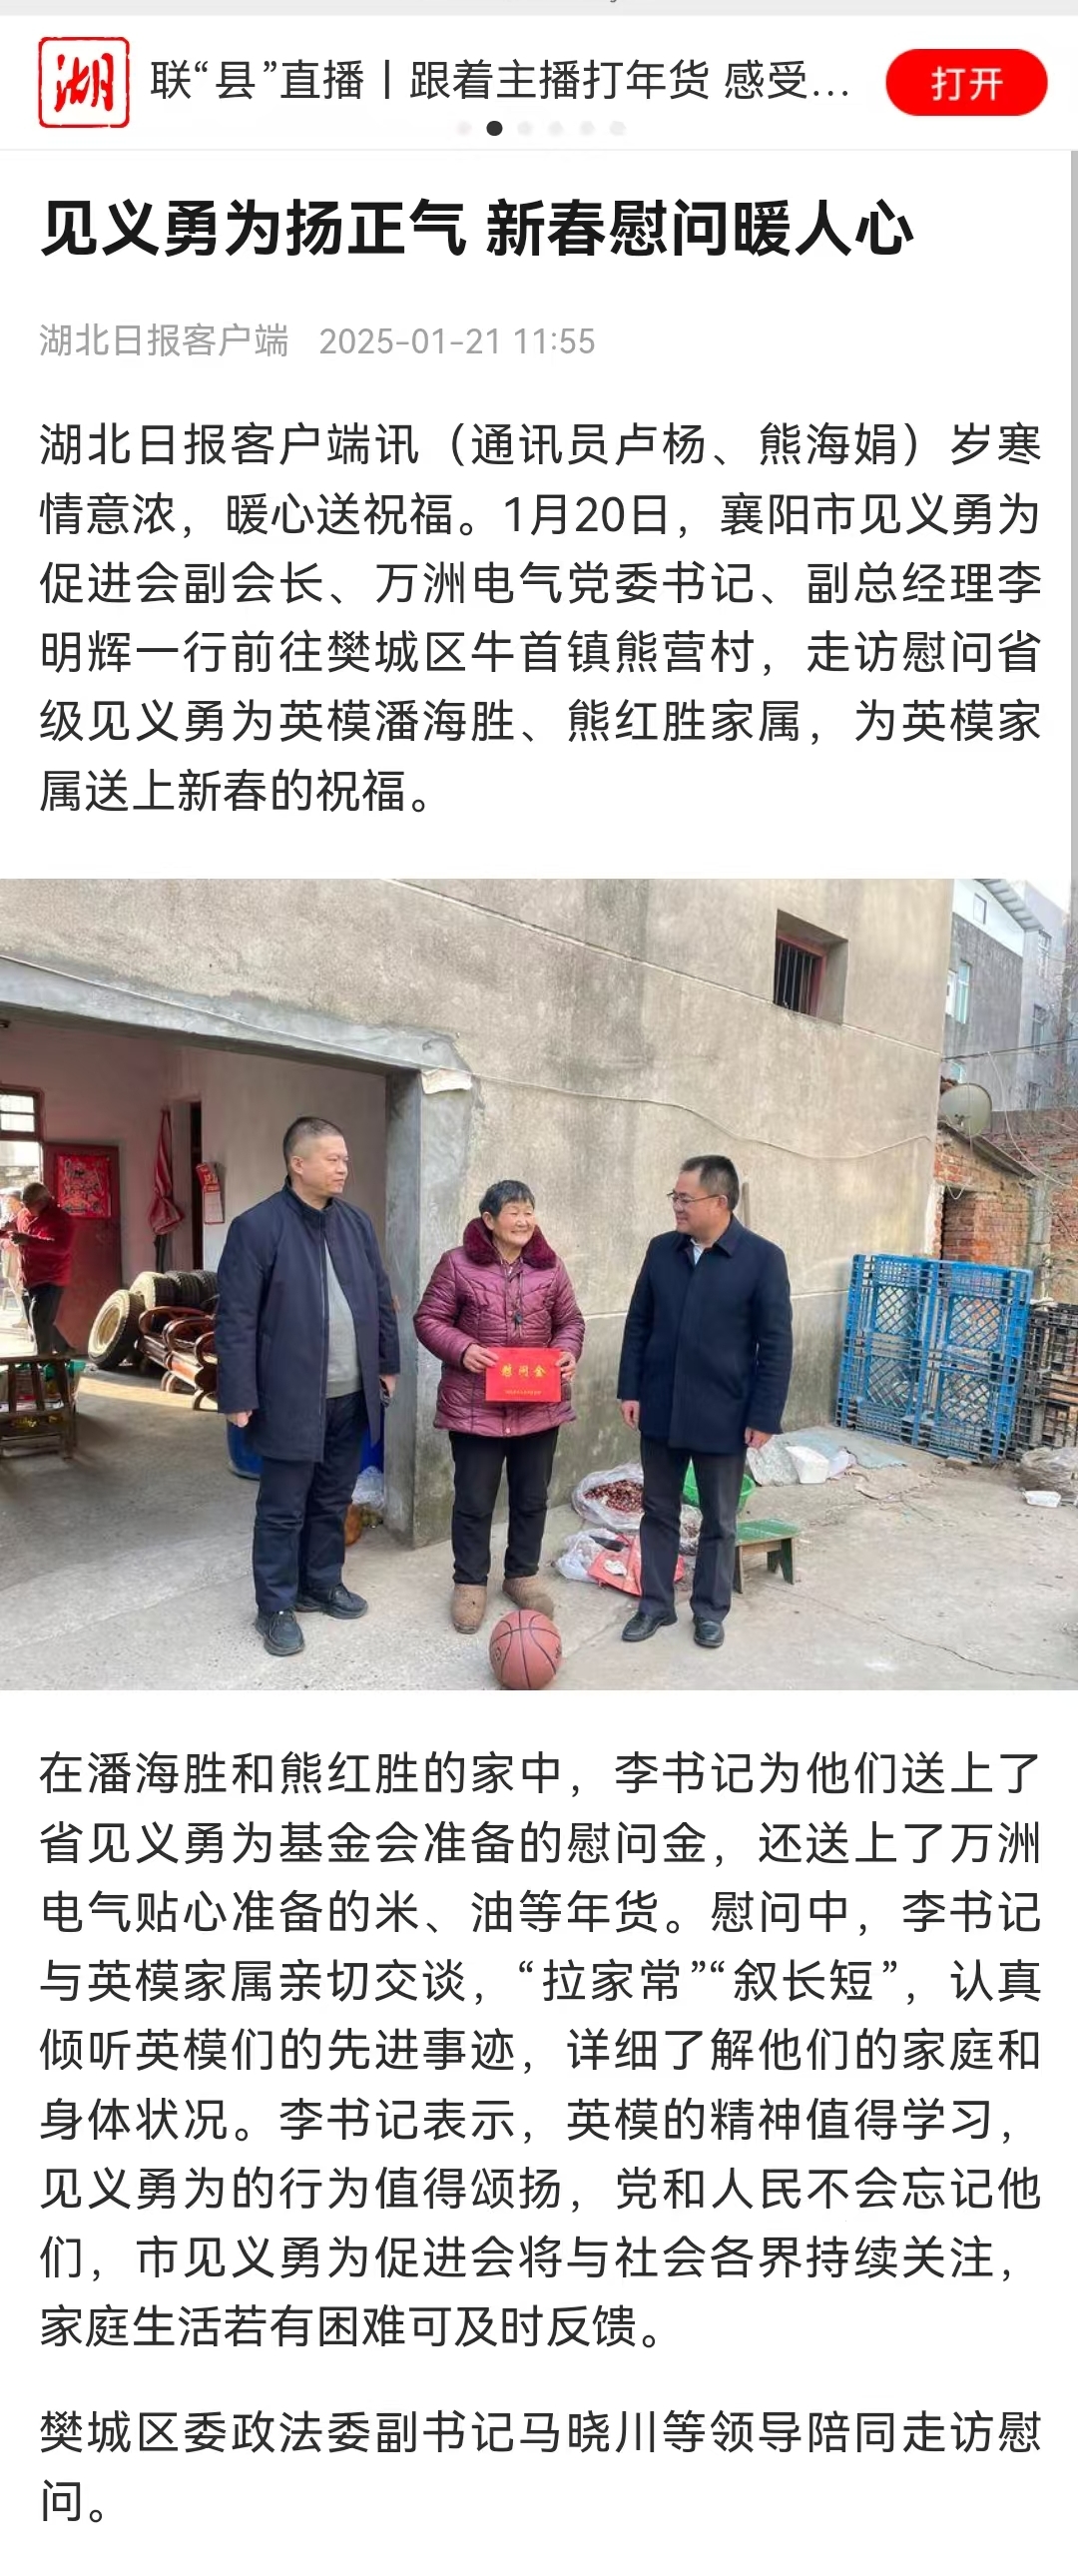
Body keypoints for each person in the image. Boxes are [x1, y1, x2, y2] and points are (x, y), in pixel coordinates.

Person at [216, 1116, 400, 1658]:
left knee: (333, 1497)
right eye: (332, 1158)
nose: (343, 1167)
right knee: (282, 1507)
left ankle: (321, 1583)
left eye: (345, 1159)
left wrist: (386, 1363)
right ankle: (275, 1605)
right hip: (290, 1396)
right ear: (298, 1164)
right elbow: (236, 1318)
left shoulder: (356, 1224)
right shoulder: (257, 1227)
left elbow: (380, 1296)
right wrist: (238, 1393)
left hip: (352, 1392)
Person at [616, 1155, 793, 1650]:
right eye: (673, 1197)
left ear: (720, 1202)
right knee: (658, 1510)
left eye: (684, 1198)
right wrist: (631, 1389)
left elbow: (776, 1344)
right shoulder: (661, 1251)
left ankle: (710, 1610)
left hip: (724, 1413)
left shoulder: (762, 1259)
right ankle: (655, 1604)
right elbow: (638, 1323)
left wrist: (764, 1414)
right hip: (661, 1406)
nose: (676, 1206)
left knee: (719, 1518)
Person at [414, 1180, 585, 1632]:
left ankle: (521, 1575)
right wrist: (463, 1348)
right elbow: (428, 1319)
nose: (523, 1220)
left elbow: (570, 1321)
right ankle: (470, 1582)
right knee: (473, 1500)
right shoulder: (457, 1264)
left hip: (537, 1406)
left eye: (529, 1211)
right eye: (514, 1212)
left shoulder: (550, 1268)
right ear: (489, 1220)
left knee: (531, 1497)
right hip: (476, 1409)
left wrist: (567, 1352)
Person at [0, 1181, 76, 1354]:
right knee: (37, 1320)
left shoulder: (61, 1219)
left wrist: (28, 1240)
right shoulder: (24, 1214)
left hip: (51, 1278)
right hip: (28, 1277)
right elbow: (10, 1229)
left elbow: (62, 1247)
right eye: (24, 1205)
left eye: (28, 1205)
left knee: (39, 1319)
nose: (25, 1208)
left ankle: (43, 1360)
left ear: (42, 1201)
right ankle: (65, 1350)